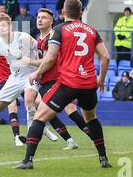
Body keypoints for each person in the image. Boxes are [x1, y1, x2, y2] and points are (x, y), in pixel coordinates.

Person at [14, 0, 112, 169]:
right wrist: (101, 80)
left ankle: (27, 160)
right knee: (91, 118)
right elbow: (105, 57)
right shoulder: (92, 31)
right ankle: (103, 158)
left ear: (64, 12)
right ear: (81, 12)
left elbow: (51, 57)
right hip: (88, 84)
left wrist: (38, 72)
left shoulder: (59, 30)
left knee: (39, 117)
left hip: (67, 83)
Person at [0, 13, 54, 148]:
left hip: (31, 74)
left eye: (3, 26)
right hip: (14, 77)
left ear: (10, 26)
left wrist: (39, 68)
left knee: (30, 101)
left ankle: (31, 136)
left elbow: (42, 51)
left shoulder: (23, 37)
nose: (0, 29)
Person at [31, 8, 93, 149]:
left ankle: (94, 137)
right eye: (38, 17)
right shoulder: (38, 39)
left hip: (58, 79)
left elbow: (49, 59)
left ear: (51, 21)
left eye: (44, 18)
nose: (40, 20)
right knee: (44, 109)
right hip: (45, 81)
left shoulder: (53, 36)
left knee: (69, 110)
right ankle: (70, 140)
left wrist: (29, 62)